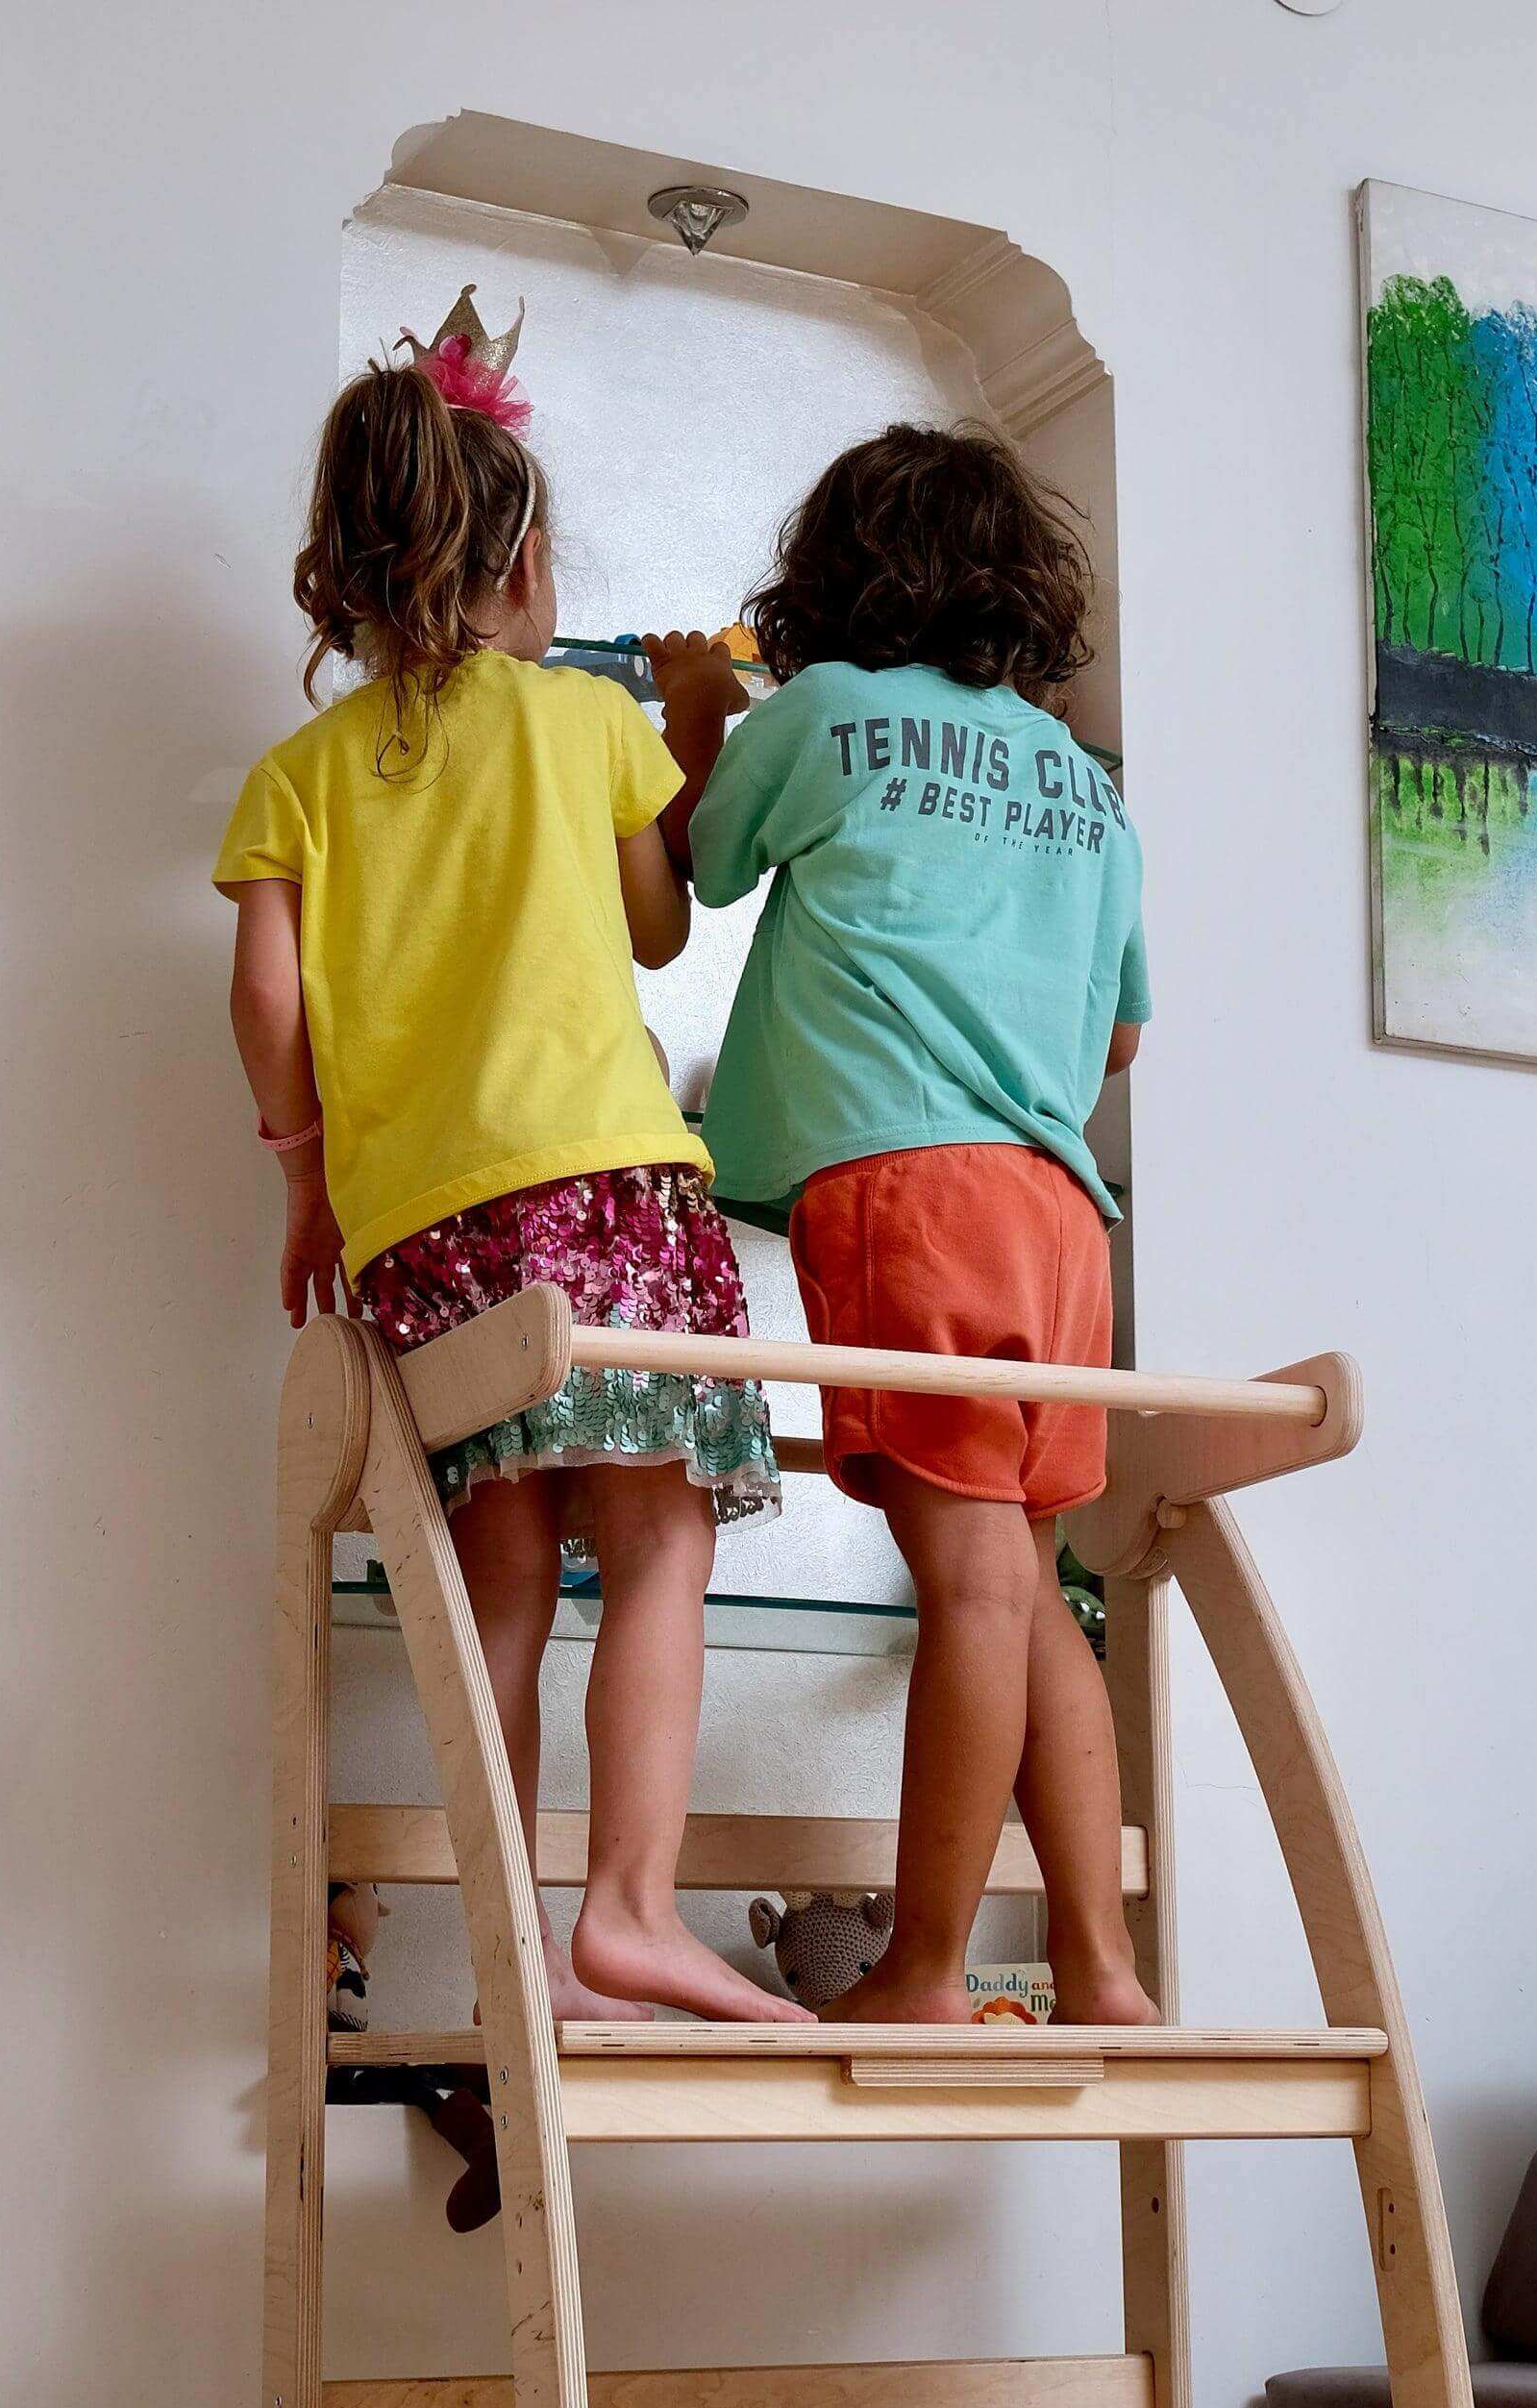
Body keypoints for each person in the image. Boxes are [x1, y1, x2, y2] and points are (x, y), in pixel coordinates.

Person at [216, 337, 806, 2028]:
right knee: (658, 1545)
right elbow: (655, 926)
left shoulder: (298, 780)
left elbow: (268, 1000)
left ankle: (507, 1941)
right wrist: (665, 741)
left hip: (425, 1245)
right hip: (604, 1196)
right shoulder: (585, 718)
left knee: (500, 1571)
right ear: (523, 565)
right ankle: (628, 1906)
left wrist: (306, 1181)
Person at [643, 421, 1156, 2029]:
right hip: (1064, 1213)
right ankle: (1103, 1966)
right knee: (1032, 1579)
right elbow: (1122, 1040)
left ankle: (925, 1965)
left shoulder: (827, 715)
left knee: (968, 1583)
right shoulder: (1087, 785)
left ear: (838, 578)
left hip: (908, 1188)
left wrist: (694, 722)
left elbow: (702, 872)